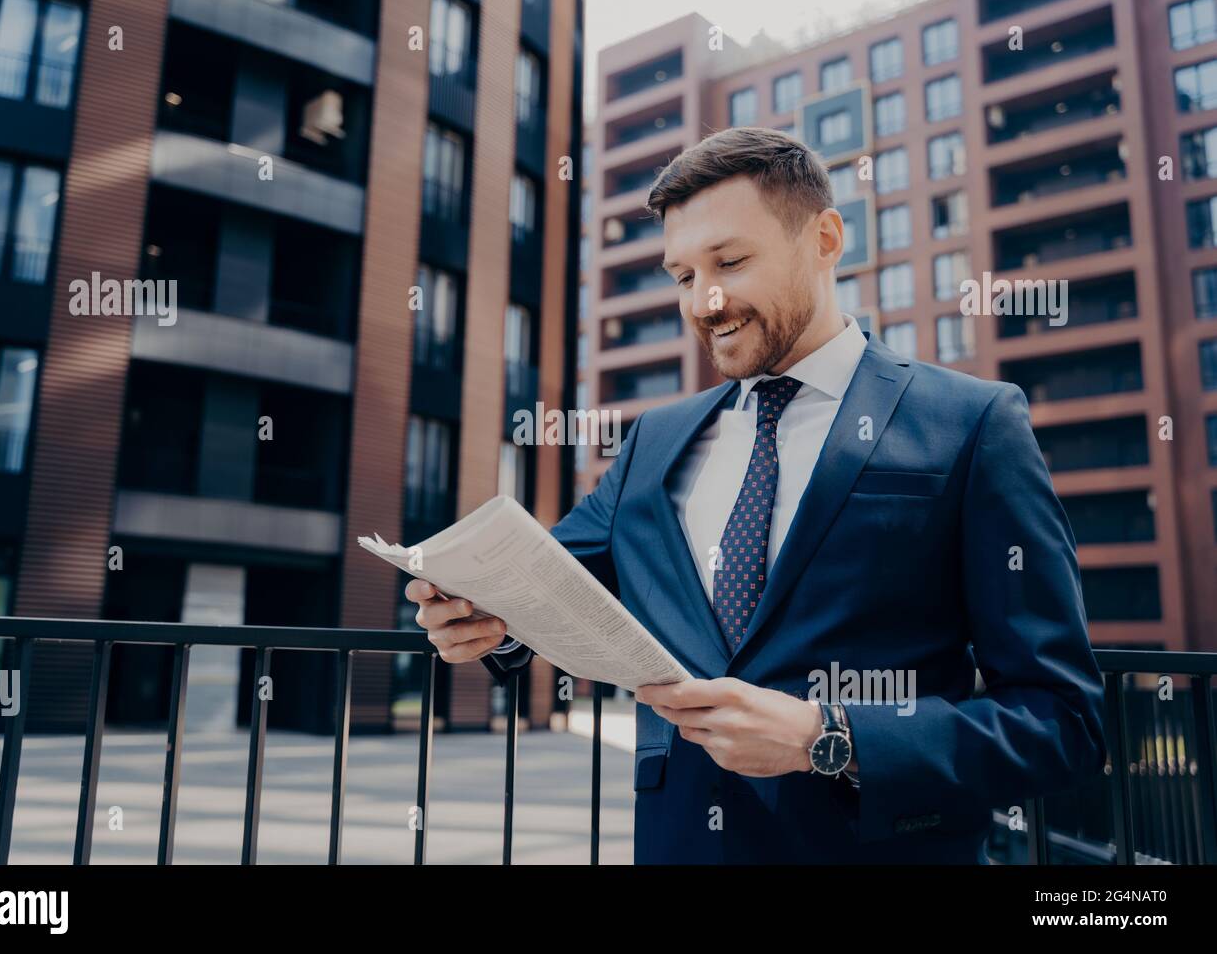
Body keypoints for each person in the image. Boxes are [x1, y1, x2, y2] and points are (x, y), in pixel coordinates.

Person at [404, 126, 1106, 863]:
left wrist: (826, 737)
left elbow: (1061, 721)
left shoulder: (973, 423)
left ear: (826, 239)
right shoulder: (653, 442)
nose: (704, 302)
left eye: (731, 262)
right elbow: (551, 587)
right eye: (681, 276)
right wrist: (484, 619)